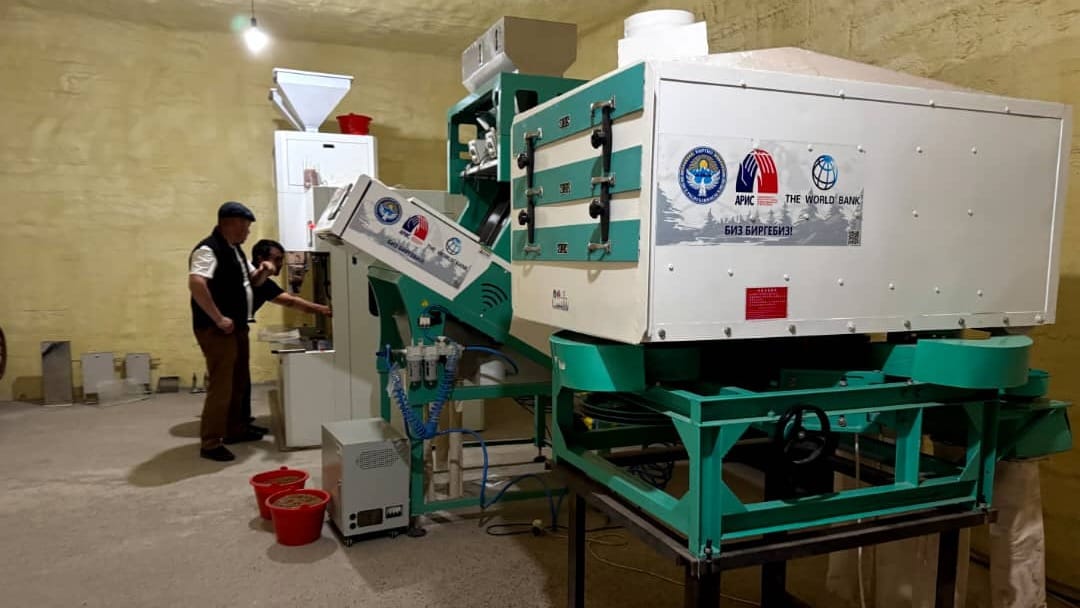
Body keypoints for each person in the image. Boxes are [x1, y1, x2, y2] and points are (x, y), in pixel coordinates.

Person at [188, 202, 274, 462]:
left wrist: (264, 271)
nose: (248, 232)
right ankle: (211, 442)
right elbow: (196, 283)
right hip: (216, 329)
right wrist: (218, 318)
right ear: (231, 223)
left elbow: (253, 281)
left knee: (239, 380)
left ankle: (235, 429)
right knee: (222, 385)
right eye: (245, 227)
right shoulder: (208, 250)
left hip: (236, 326)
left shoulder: (235, 249)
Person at [240, 239, 332, 434]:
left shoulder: (260, 281)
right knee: (234, 380)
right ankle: (235, 427)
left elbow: (291, 301)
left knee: (240, 379)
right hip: (226, 330)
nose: (281, 264)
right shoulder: (254, 279)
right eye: (277, 259)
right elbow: (291, 302)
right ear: (261, 259)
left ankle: (240, 422)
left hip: (235, 329)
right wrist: (326, 309)